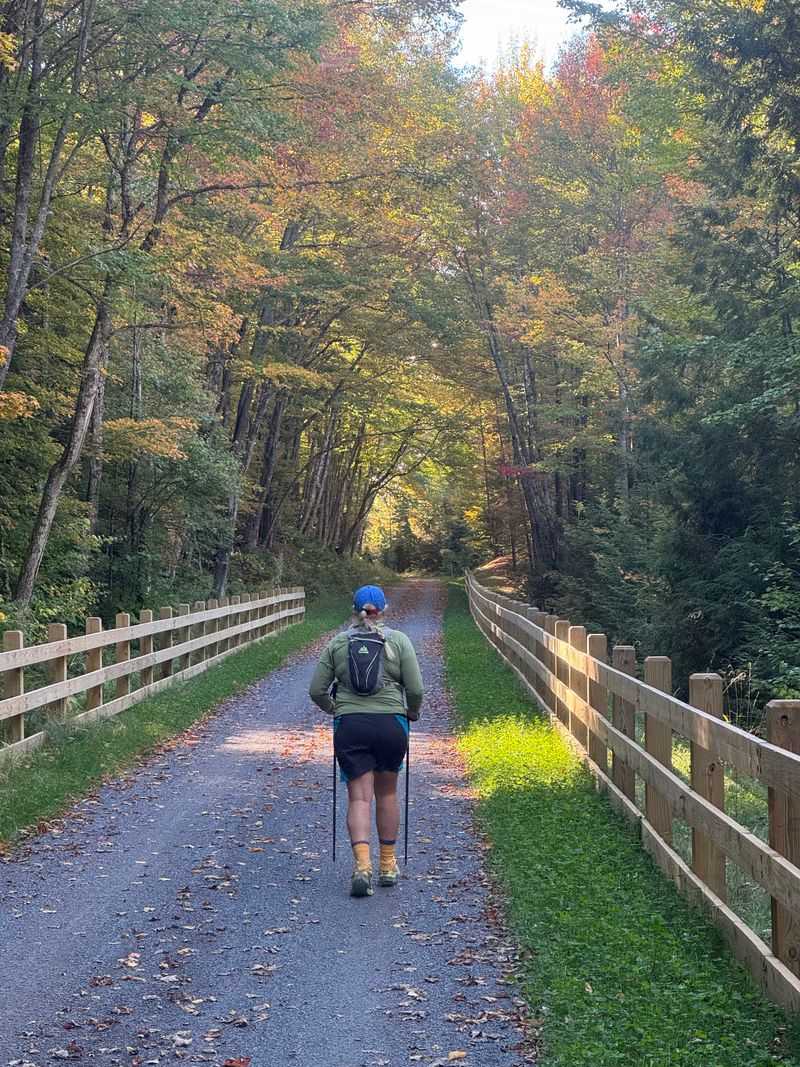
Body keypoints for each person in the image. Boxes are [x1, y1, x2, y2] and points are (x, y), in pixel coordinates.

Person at [309, 584, 423, 897]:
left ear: (354, 610)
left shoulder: (337, 643)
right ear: (384, 609)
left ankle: (362, 866)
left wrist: (337, 710)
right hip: (391, 725)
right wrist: (411, 713)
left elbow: (317, 690)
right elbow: (415, 689)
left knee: (359, 798)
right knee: (387, 795)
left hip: (351, 726)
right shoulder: (398, 641)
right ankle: (387, 865)